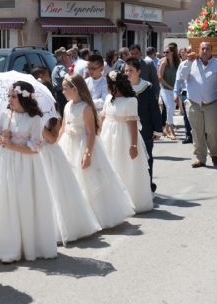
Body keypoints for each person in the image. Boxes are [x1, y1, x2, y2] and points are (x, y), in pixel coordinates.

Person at [0, 81, 57, 262]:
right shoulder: (4, 114)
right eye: (8, 96)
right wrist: (0, 139)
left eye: (13, 96)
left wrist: (9, 144)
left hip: (26, 165)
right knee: (5, 200)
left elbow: (35, 147)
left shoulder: (34, 119)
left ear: (24, 98)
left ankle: (28, 245)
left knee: (23, 201)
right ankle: (8, 245)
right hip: (5, 162)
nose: (9, 99)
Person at [58, 74, 135, 227]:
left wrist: (87, 153)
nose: (62, 91)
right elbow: (63, 127)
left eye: (65, 88)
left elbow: (90, 132)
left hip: (82, 144)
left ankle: (95, 216)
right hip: (68, 144)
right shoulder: (67, 106)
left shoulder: (85, 108)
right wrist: (57, 144)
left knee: (87, 179)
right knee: (71, 180)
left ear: (75, 89)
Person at [40, 116, 101, 245]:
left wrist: (40, 129)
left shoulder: (51, 117)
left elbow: (53, 139)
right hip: (37, 156)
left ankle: (65, 228)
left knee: (57, 189)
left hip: (51, 156)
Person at [100, 70, 154, 212]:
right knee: (110, 165)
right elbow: (103, 118)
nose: (106, 87)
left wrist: (133, 145)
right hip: (108, 136)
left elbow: (132, 124)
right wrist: (98, 134)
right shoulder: (108, 99)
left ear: (115, 86)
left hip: (123, 137)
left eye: (108, 84)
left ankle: (130, 200)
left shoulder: (130, 101)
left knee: (124, 166)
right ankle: (112, 201)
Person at [179, 42, 217, 168]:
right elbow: (182, 77)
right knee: (197, 131)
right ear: (198, 50)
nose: (205, 51)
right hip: (193, 103)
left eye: (207, 49)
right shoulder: (189, 63)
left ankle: (214, 153)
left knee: (212, 130)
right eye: (202, 49)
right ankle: (201, 158)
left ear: (212, 50)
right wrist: (189, 61)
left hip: (212, 103)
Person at [123, 58, 163, 193]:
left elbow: (154, 109)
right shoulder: (122, 88)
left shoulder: (147, 86)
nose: (128, 73)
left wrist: (157, 129)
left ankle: (148, 186)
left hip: (145, 128)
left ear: (139, 71)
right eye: (126, 70)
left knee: (147, 157)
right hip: (127, 129)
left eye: (131, 70)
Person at [158, 44, 180, 139]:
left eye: (167, 52)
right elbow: (159, 77)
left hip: (174, 89)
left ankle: (166, 128)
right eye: (164, 52)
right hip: (165, 89)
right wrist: (169, 86)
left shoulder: (177, 63)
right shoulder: (163, 63)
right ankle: (171, 130)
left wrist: (177, 88)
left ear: (172, 53)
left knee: (171, 109)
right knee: (170, 107)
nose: (165, 54)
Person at [174, 48, 193, 144]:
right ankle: (189, 135)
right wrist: (175, 93)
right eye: (188, 52)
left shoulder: (201, 63)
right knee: (187, 116)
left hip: (199, 93)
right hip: (186, 93)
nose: (190, 54)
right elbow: (178, 80)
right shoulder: (183, 64)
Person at [51, 47, 70, 114]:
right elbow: (65, 77)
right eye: (65, 56)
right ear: (62, 57)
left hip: (58, 94)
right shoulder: (61, 67)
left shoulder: (56, 67)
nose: (67, 57)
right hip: (61, 94)